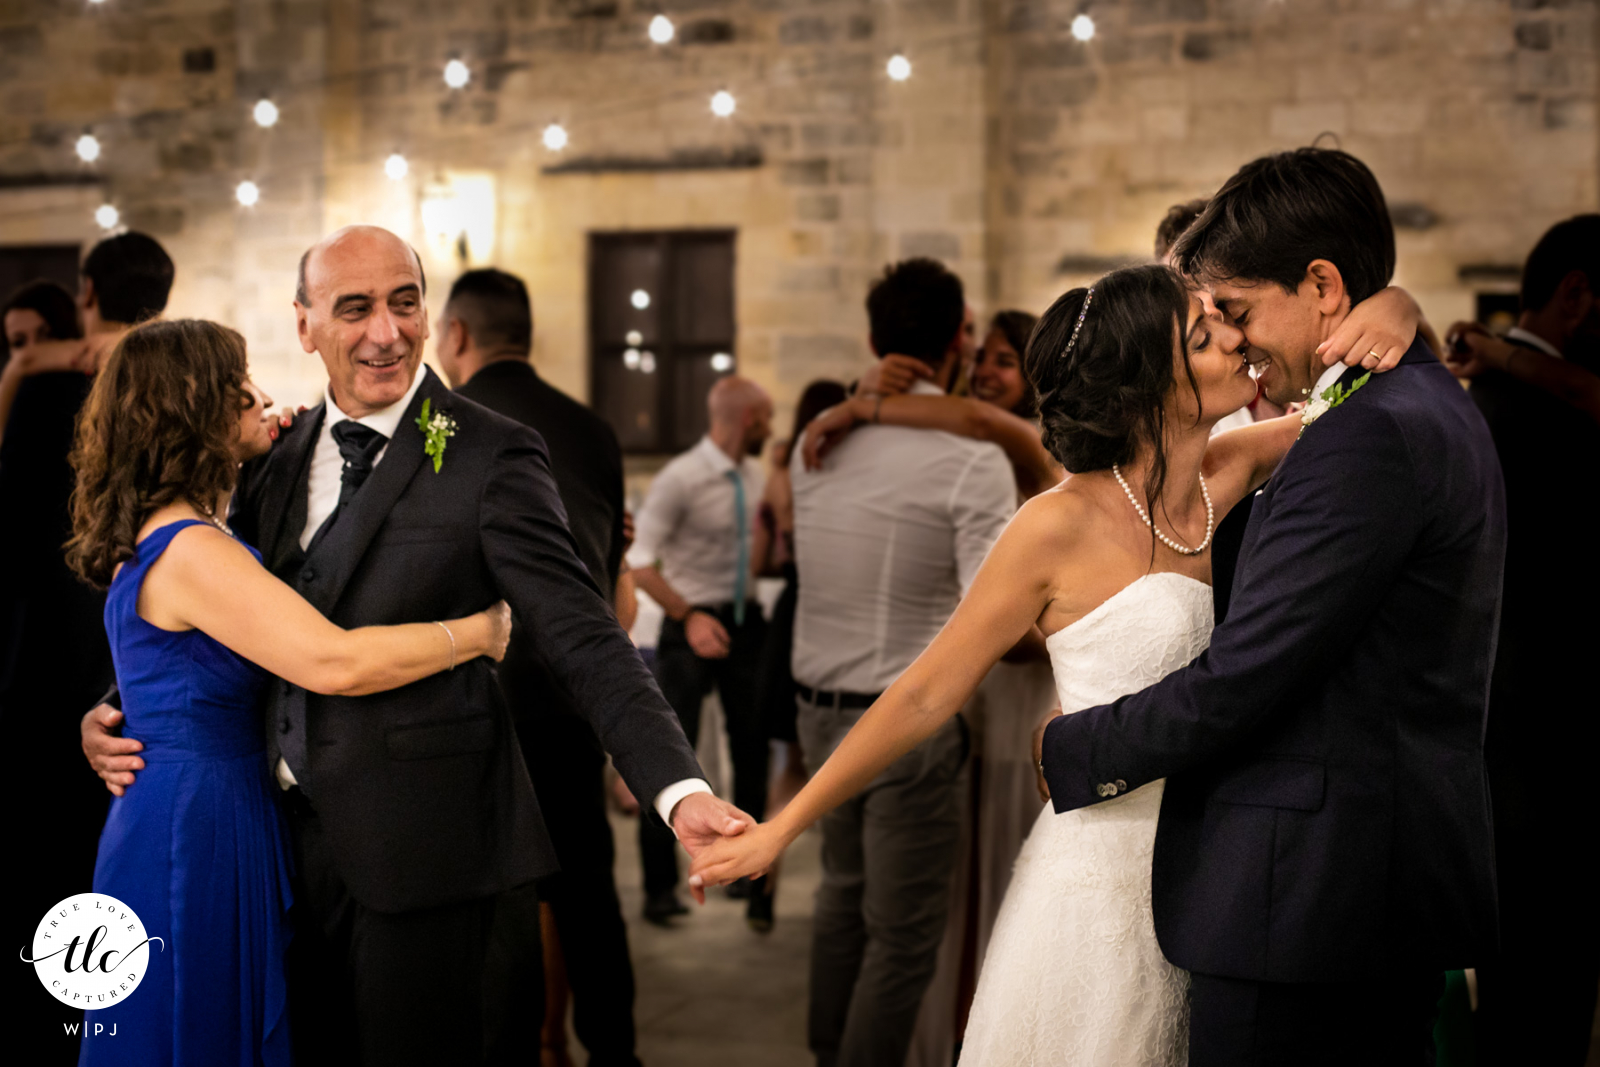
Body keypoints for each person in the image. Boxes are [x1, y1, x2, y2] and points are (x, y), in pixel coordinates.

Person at [79, 226, 748, 1067]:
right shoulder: (272, 457)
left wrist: (677, 787)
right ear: (305, 324)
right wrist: (114, 706)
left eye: (404, 303)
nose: (385, 332)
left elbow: (584, 631)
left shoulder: (493, 453)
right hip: (270, 854)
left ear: (431, 314)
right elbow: (207, 610)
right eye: (354, 308)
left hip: (429, 856)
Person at [1039, 149, 1501, 1064]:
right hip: (1355, 887)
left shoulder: (1368, 434)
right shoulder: (1411, 403)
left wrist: (1070, 746)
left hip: (1311, 899)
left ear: (1323, 284)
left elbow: (1246, 675)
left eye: (1241, 313)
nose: (1238, 342)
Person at [64, 318, 512, 1066]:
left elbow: (165, 667)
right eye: (239, 386)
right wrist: (479, 632)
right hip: (196, 823)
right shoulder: (193, 548)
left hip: (188, 801)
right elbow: (331, 662)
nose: (263, 397)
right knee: (195, 1029)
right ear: (193, 407)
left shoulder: (169, 532)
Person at [781, 257, 1019, 1067]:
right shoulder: (972, 459)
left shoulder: (817, 443)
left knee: (840, 900)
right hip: (904, 721)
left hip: (817, 708)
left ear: (874, 338)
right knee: (904, 934)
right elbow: (991, 610)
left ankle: (825, 1053)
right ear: (958, 337)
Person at [434, 266, 644, 1067]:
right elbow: (608, 578)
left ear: (455, 335)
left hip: (480, 695)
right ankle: (617, 1053)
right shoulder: (593, 429)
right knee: (588, 895)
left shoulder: (447, 426)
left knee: (501, 905)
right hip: (573, 694)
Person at [1441, 215, 1600, 1065]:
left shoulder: (1484, 407)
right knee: (1542, 1006)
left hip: (1510, 763)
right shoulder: (1518, 411)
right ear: (1578, 295)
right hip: (1545, 767)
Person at [627, 375, 774, 926]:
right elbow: (639, 563)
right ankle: (659, 890)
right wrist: (689, 617)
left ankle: (755, 884)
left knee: (752, 753)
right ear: (743, 420)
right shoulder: (681, 478)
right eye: (765, 418)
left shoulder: (759, 476)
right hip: (688, 626)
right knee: (668, 754)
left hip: (745, 627)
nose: (770, 428)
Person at [747, 377, 849, 932]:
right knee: (838, 754)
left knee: (792, 763)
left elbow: (761, 560)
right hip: (835, 608)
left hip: (792, 609)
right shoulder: (844, 474)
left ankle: (766, 876)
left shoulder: (783, 476)